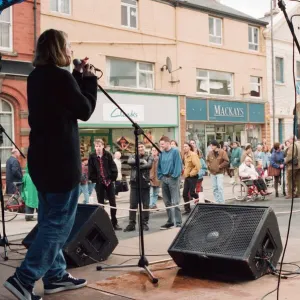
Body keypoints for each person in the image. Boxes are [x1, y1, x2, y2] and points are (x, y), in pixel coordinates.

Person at [4, 29, 98, 300]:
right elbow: (84, 110)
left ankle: (55, 276)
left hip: (42, 161)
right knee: (58, 225)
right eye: (68, 45)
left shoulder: (37, 77)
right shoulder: (61, 77)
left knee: (48, 220)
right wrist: (88, 79)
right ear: (59, 48)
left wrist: (78, 76)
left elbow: (67, 102)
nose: (71, 50)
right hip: (61, 162)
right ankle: (24, 279)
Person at [88, 139, 122, 230]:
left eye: (99, 146)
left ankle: (114, 222)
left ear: (103, 146)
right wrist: (94, 179)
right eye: (96, 146)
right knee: (100, 203)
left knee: (113, 203)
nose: (98, 148)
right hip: (99, 182)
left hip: (109, 181)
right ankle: (102, 224)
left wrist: (112, 178)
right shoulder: (92, 156)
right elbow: (91, 169)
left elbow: (113, 167)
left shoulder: (108, 155)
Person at [124, 142, 153, 232]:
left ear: (144, 148)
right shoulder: (132, 156)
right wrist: (141, 161)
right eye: (138, 147)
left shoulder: (149, 156)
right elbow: (129, 162)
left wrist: (137, 166)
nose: (140, 148)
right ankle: (131, 224)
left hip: (145, 184)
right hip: (134, 184)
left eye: (142, 147)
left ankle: (144, 223)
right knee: (133, 205)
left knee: (145, 205)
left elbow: (149, 165)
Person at [158, 136, 182, 229]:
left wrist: (175, 176)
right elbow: (159, 166)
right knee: (167, 201)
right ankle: (170, 221)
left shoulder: (175, 151)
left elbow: (178, 164)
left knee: (175, 201)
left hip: (173, 178)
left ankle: (179, 222)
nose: (161, 146)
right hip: (164, 178)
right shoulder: (162, 153)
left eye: (162, 144)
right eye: (160, 144)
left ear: (168, 143)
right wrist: (160, 176)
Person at [182, 142, 200, 215]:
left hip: (193, 176)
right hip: (187, 176)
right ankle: (187, 209)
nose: (184, 148)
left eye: (186, 146)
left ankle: (200, 203)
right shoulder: (185, 155)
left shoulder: (193, 155)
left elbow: (198, 166)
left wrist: (191, 173)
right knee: (184, 193)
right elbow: (186, 166)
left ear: (189, 147)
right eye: (183, 147)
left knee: (192, 193)